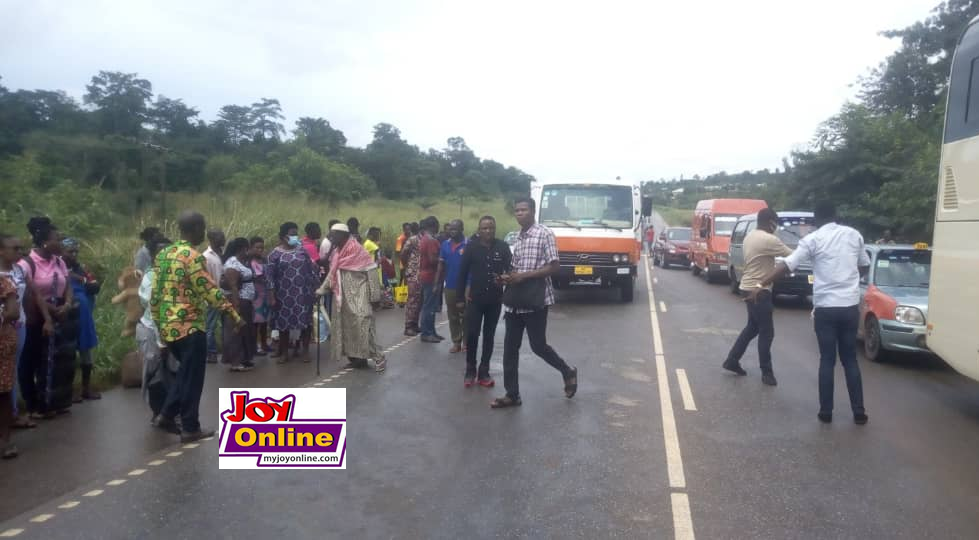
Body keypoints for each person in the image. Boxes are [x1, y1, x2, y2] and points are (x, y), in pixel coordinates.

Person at [753, 201, 871, 425]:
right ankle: (859, 412)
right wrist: (850, 278)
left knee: (827, 359)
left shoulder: (813, 239)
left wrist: (760, 285)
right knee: (850, 360)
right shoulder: (854, 235)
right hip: (849, 307)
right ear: (836, 215)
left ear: (816, 220)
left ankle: (826, 412)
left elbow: (787, 265)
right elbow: (864, 265)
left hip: (826, 308)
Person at [150, 211, 242, 442]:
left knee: (185, 373)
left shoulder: (163, 255)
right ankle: (190, 427)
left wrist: (159, 323)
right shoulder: (192, 257)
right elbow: (208, 289)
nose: (204, 232)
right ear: (196, 229)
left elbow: (156, 293)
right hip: (190, 327)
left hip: (168, 328)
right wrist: (233, 314)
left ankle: (167, 415)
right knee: (192, 379)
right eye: (202, 228)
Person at [491, 198, 578, 409]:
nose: (519, 213)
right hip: (515, 301)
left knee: (538, 346)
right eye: (516, 210)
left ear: (533, 212)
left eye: (523, 210)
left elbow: (554, 266)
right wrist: (507, 277)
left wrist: (525, 276)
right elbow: (516, 268)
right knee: (510, 349)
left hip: (536, 299)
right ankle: (512, 394)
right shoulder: (519, 238)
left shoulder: (544, 234)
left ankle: (567, 371)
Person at [722, 209, 792, 386]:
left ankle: (732, 360)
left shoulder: (750, 236)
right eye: (775, 222)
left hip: (746, 287)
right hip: (759, 291)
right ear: (770, 222)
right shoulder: (769, 240)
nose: (776, 227)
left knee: (752, 328)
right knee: (767, 333)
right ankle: (767, 373)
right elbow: (793, 256)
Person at [18, 217, 76, 419]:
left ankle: (52, 401)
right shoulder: (26, 264)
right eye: (56, 239)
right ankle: (33, 405)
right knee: (31, 361)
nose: (60, 243)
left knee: (57, 361)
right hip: (36, 320)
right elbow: (30, 294)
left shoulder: (59, 261)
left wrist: (67, 304)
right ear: (44, 241)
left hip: (60, 316)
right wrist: (52, 310)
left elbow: (67, 285)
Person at [317, 224, 385, 372]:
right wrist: (321, 290)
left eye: (334, 235)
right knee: (346, 329)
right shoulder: (336, 252)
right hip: (342, 299)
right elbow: (332, 274)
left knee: (363, 327)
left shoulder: (358, 251)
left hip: (360, 296)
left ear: (344, 235)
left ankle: (378, 357)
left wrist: (375, 296)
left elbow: (372, 273)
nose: (332, 237)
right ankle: (357, 359)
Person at [456, 216, 511, 387]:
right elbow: (462, 273)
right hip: (475, 299)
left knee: (489, 336)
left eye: (491, 228)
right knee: (472, 334)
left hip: (494, 300)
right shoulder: (471, 248)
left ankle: (484, 370)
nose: (488, 231)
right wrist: (459, 299)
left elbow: (510, 272)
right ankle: (470, 369)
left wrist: (506, 286)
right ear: (479, 230)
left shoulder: (502, 247)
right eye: (484, 228)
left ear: (495, 229)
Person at [267, 222, 319, 363]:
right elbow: (269, 277)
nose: (295, 236)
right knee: (283, 325)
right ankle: (284, 353)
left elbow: (311, 271)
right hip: (284, 295)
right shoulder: (274, 255)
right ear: (284, 236)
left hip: (304, 293)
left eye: (296, 233)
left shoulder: (302, 251)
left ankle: (305, 351)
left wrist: (316, 289)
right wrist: (271, 296)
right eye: (292, 233)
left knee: (306, 323)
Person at [137, 236, 175, 424]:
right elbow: (155, 311)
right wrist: (162, 341)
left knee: (173, 371)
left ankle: (170, 412)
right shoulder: (151, 277)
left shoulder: (174, 274)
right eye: (160, 251)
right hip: (152, 329)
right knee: (155, 371)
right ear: (152, 256)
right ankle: (158, 412)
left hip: (173, 329)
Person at [0, 235, 35, 430]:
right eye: (14, 248)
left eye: (20, 248)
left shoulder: (19, 269)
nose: (19, 252)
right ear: (1, 251)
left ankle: (12, 414)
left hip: (18, 327)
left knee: (11, 372)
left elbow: (32, 292)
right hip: (4, 326)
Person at [62, 238, 102, 401]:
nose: (74, 254)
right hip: (68, 317)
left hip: (85, 317)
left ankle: (85, 388)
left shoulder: (80, 269)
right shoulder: (58, 268)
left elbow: (94, 286)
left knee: (86, 353)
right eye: (70, 251)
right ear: (62, 251)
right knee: (67, 354)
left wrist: (84, 280)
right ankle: (68, 391)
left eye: (75, 251)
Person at [221, 238, 257, 372]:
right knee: (235, 332)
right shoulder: (232, 264)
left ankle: (244, 359)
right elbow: (233, 287)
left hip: (246, 300)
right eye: (247, 249)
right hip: (238, 301)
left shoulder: (242, 262)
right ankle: (235, 362)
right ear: (242, 249)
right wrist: (236, 307)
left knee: (245, 332)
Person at [436, 219, 468, 353]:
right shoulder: (445, 245)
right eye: (450, 229)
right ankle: (456, 342)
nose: (452, 232)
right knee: (453, 315)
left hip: (466, 286)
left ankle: (467, 342)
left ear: (462, 229)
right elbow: (441, 265)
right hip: (449, 285)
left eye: (455, 229)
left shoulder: (469, 244)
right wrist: (437, 283)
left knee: (467, 315)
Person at [0, 270, 21, 458]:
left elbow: (13, 312)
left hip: (2, 344)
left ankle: (6, 440)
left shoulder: (4, 283)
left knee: (3, 392)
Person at [417, 217, 443, 343]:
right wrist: (443, 259)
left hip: (425, 274)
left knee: (429, 305)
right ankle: (427, 333)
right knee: (429, 306)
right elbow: (433, 259)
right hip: (431, 276)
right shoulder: (431, 240)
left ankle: (431, 331)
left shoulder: (424, 239)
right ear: (434, 226)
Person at [202, 228, 225, 363]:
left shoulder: (222, 253)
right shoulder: (206, 256)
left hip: (225, 294)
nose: (223, 239)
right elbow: (205, 279)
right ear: (212, 239)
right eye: (220, 236)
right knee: (210, 326)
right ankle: (211, 353)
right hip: (213, 296)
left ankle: (225, 350)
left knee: (225, 325)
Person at [401, 223, 424, 336]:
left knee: (419, 301)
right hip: (413, 273)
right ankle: (408, 326)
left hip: (423, 274)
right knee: (412, 300)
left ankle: (415, 324)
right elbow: (403, 253)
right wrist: (408, 266)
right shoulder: (413, 239)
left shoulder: (427, 239)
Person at [249, 237, 271, 356]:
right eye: (257, 247)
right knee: (256, 322)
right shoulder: (249, 262)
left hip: (265, 293)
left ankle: (264, 343)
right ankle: (255, 346)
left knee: (264, 321)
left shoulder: (264, 260)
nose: (260, 250)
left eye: (262, 248)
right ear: (251, 248)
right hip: (255, 294)